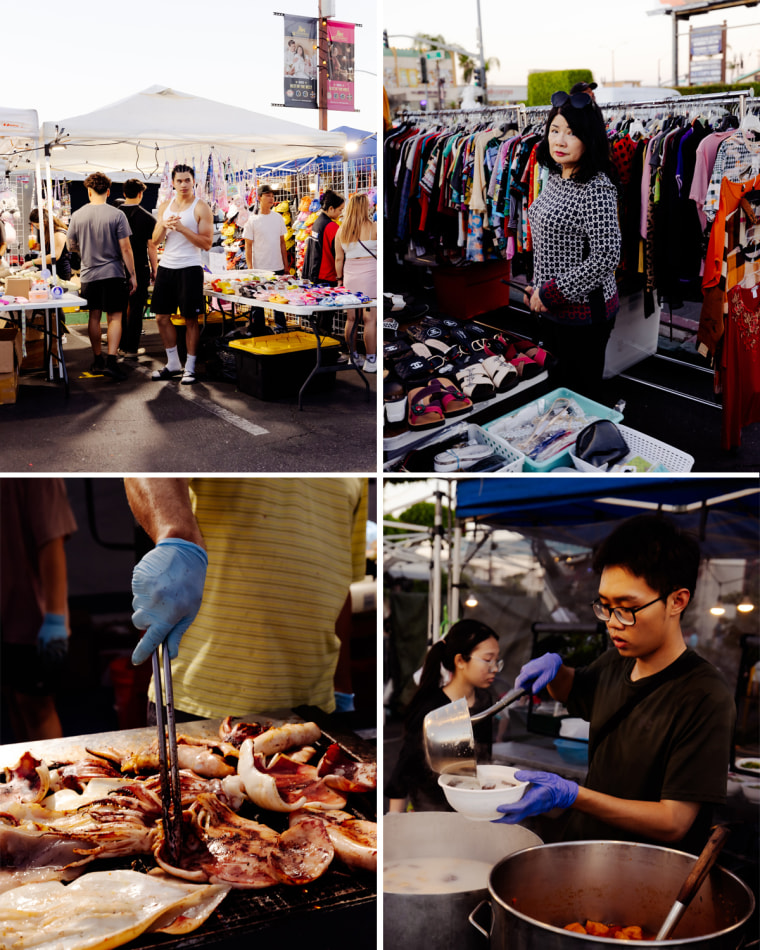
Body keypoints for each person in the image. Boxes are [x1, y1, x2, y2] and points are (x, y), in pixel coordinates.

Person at [496, 514, 735, 856]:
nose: (612, 624)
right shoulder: (616, 661)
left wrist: (573, 795)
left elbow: (674, 821)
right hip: (585, 851)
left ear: (677, 601)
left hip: (647, 876)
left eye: (627, 608)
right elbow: (574, 691)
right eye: (605, 607)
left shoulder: (705, 695)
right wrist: (557, 670)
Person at [125, 478, 368, 721]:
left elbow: (340, 584)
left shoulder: (362, 470)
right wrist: (175, 533)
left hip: (314, 705)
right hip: (199, 703)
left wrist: (342, 686)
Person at [524, 90, 621, 396]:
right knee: (555, 392)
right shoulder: (555, 175)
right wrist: (537, 288)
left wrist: (550, 292)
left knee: (579, 396)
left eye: (572, 133)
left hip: (584, 316)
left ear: (589, 139)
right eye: (555, 131)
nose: (560, 141)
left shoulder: (596, 188)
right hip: (552, 310)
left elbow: (607, 255)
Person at [385, 620, 501, 812]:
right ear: (460, 661)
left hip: (471, 806)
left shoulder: (484, 700)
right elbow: (404, 770)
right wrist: (394, 821)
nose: (495, 668)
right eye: (488, 660)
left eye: (497, 660)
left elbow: (483, 757)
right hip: (430, 813)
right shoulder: (433, 710)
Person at [0, 478, 77, 741]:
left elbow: (51, 541)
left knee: (36, 707)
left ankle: (50, 778)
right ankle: (26, 776)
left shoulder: (39, 478)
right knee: (12, 700)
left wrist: (55, 616)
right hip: (5, 613)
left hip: (31, 618)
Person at [66, 172, 137, 380]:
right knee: (115, 317)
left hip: (89, 275)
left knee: (94, 317)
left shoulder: (77, 215)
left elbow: (71, 246)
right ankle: (112, 362)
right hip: (113, 273)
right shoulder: (117, 215)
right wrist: (132, 275)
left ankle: (97, 359)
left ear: (89, 191)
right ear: (108, 191)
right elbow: (126, 249)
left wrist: (86, 250)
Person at [150, 164, 214, 385]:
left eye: (187, 180)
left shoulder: (201, 207)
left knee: (190, 320)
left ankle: (191, 367)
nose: (184, 184)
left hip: (190, 268)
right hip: (167, 267)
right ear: (173, 183)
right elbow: (155, 240)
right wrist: (164, 225)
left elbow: (207, 243)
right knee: (160, 316)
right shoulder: (165, 206)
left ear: (193, 181)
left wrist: (184, 229)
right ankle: (173, 364)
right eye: (179, 181)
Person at [335, 192, 378, 372]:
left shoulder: (341, 230)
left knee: (351, 318)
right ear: (365, 207)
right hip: (370, 276)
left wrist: (339, 280)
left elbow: (338, 259)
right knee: (370, 319)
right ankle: (371, 360)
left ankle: (353, 356)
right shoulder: (375, 227)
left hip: (350, 275)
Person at [118, 179, 158, 359]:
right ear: (141, 194)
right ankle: (131, 348)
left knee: (119, 308)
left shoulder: (115, 214)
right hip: (140, 266)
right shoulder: (148, 218)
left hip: (116, 266)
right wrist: (155, 269)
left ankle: (118, 346)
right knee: (135, 308)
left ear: (124, 193)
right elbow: (152, 247)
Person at [302, 189, 345, 286]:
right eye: (340, 209)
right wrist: (340, 277)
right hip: (327, 277)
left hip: (314, 273)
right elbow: (338, 255)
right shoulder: (332, 226)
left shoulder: (317, 222)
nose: (340, 213)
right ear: (331, 208)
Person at [243, 185, 289, 273]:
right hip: (260, 268)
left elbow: (282, 242)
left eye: (272, 196)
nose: (271, 198)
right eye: (268, 196)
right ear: (259, 198)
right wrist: (250, 268)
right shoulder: (252, 220)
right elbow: (248, 245)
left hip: (278, 267)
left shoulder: (278, 218)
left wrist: (286, 266)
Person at [23, 209, 72, 280]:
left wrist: (32, 262)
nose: (38, 229)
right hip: (52, 273)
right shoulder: (51, 233)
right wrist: (40, 247)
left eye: (37, 226)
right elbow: (53, 249)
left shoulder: (59, 234)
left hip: (59, 274)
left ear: (44, 222)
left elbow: (54, 256)